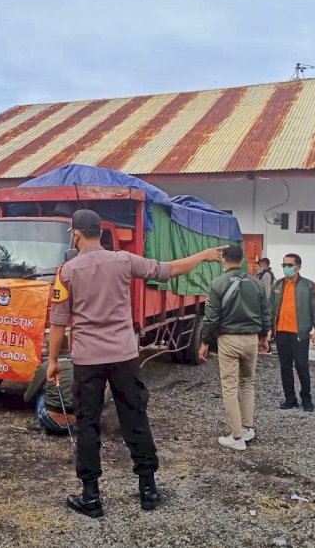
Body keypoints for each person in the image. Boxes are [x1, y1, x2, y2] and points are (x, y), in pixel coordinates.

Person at [47, 209, 226, 518]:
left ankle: (91, 496)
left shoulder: (66, 271)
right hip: (124, 357)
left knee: (87, 423)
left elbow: (59, 321)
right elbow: (168, 270)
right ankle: (148, 489)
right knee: (135, 418)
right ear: (101, 233)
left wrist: (51, 360)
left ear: (76, 234)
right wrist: (204, 254)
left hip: (87, 360)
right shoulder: (125, 261)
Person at [198, 246, 271, 451]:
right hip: (251, 339)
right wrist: (264, 336)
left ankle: (236, 436)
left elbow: (211, 317)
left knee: (229, 386)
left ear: (224, 260)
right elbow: (265, 312)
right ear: (242, 260)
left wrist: (204, 342)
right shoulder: (256, 284)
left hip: (229, 339)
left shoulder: (217, 284)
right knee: (247, 383)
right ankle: (248, 429)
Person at [270, 253, 315, 413]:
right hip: (281, 332)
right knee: (285, 367)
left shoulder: (309, 286)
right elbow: (270, 308)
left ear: (298, 267)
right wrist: (268, 329)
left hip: (300, 333)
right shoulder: (278, 285)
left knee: (301, 366)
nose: (286, 268)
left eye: (289, 265)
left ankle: (306, 399)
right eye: (283, 265)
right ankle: (290, 399)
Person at [23, 358, 75, 434]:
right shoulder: (80, 365)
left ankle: (43, 423)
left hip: (51, 421)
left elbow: (26, 397)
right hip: (77, 421)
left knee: (40, 389)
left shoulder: (47, 366)